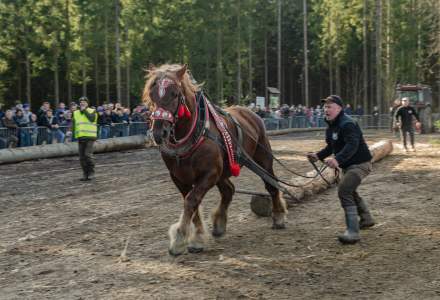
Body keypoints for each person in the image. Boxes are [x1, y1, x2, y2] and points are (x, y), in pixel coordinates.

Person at [307, 95, 374, 244]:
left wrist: (337, 159)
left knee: (344, 190)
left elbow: (352, 145)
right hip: (349, 166)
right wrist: (317, 155)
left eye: (329, 106)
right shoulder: (331, 127)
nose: (326, 109)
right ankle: (366, 218)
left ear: (339, 108)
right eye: (325, 107)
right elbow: (331, 147)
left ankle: (353, 232)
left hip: (361, 164)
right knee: (350, 190)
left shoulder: (347, 124)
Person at [72, 96, 98, 181]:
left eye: (84, 102)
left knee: (88, 155)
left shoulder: (92, 111)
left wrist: (84, 110)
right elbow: (74, 124)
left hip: (90, 137)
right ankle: (85, 174)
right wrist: (71, 133)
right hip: (80, 137)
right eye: (81, 102)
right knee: (82, 157)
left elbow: (92, 119)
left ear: (87, 103)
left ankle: (91, 172)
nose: (82, 103)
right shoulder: (76, 113)